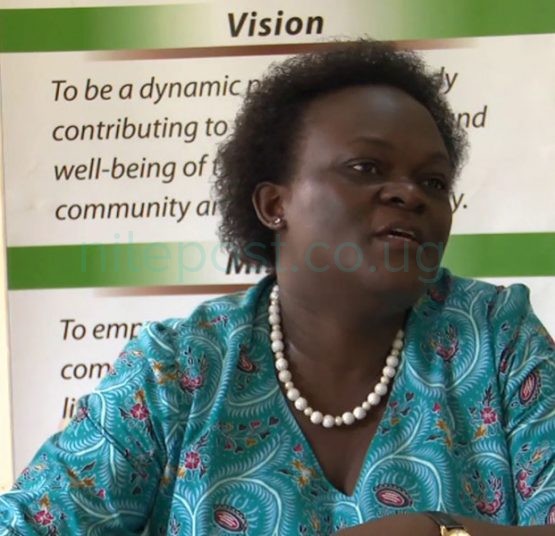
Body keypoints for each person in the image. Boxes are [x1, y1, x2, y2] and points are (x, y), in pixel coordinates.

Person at [1, 40, 553, 536]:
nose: (410, 194)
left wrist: (440, 532)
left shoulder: (496, 339)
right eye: (366, 167)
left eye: (433, 181)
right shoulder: (179, 370)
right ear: (274, 204)